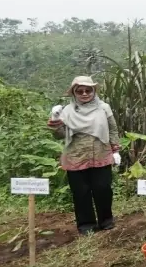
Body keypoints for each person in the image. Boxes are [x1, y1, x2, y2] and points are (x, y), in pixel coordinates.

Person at [47, 76, 120, 235]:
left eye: (88, 90)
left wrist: (116, 149)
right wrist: (55, 120)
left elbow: (112, 129)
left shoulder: (103, 108)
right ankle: (86, 225)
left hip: (100, 152)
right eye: (80, 91)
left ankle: (106, 221)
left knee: (103, 188)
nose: (85, 94)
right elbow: (59, 135)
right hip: (76, 155)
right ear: (74, 93)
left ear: (94, 91)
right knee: (81, 191)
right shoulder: (67, 111)